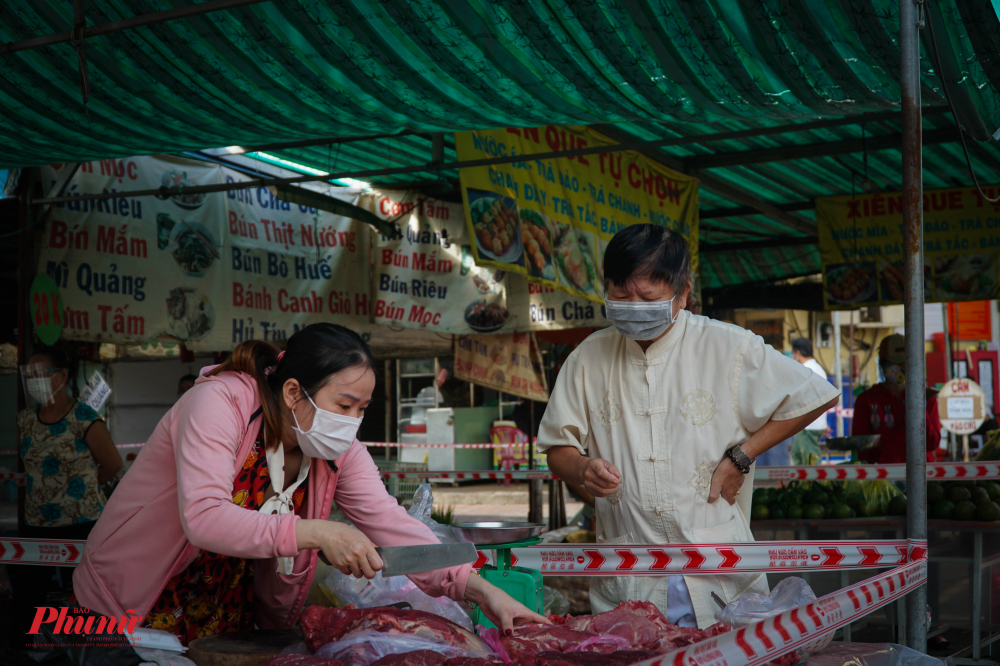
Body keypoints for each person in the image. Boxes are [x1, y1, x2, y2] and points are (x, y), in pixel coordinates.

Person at [73, 324, 545, 649]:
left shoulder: (336, 449)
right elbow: (204, 517)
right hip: (134, 600)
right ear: (295, 392)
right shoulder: (218, 404)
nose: (353, 422)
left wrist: (483, 592)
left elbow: (392, 525)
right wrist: (318, 532)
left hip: (226, 612)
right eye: (344, 404)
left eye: (363, 410)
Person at [537, 224, 840, 629]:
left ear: (683, 293)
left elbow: (815, 395)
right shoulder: (587, 358)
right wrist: (581, 468)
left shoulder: (728, 346)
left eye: (647, 297)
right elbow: (558, 447)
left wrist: (741, 456)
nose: (633, 305)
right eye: (621, 295)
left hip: (718, 569)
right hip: (631, 573)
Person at [11, 346, 123, 648]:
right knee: (29, 596)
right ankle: (29, 649)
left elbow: (113, 465)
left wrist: (81, 487)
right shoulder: (25, 420)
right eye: (29, 375)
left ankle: (89, 649)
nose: (34, 380)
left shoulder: (84, 418)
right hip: (37, 523)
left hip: (82, 522)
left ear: (62, 376)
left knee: (85, 594)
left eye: (41, 374)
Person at [853, 334, 942, 464]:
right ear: (883, 365)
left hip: (922, 477)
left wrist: (919, 409)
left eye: (905, 363)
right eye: (895, 363)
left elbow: (932, 443)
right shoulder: (867, 400)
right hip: (882, 478)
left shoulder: (926, 397)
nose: (901, 368)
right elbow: (861, 449)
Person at [790, 338, 832, 464]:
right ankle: (803, 483)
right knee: (797, 454)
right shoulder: (818, 369)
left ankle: (816, 483)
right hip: (815, 423)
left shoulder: (805, 370)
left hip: (808, 424)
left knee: (811, 461)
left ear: (797, 353)